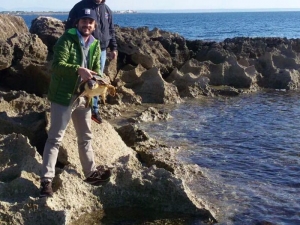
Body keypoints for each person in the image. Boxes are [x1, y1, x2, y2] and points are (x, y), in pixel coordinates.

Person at [40, 8, 111, 198]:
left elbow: (96, 68)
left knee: (86, 136)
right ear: (77, 23)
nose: (86, 24)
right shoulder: (66, 40)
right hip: (63, 96)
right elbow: (56, 66)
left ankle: (90, 173)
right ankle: (46, 181)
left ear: (94, 25)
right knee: (55, 138)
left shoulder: (95, 44)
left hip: (85, 96)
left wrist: (99, 79)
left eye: (90, 22)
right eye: (83, 21)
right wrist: (78, 70)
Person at [66, 0, 118, 124]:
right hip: (85, 47)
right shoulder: (80, 6)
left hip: (102, 49)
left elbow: (111, 30)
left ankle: (94, 110)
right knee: (83, 76)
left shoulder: (106, 10)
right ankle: (74, 104)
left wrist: (114, 47)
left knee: (96, 78)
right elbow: (69, 27)